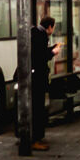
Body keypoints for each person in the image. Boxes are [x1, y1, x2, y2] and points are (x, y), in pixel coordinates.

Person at [30, 16, 61, 151]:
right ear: (49, 27)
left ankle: (35, 137)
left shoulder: (36, 33)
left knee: (37, 107)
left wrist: (51, 49)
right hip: (37, 78)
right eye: (53, 27)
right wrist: (53, 52)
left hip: (34, 76)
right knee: (37, 107)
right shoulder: (40, 36)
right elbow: (40, 56)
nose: (53, 30)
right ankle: (35, 139)